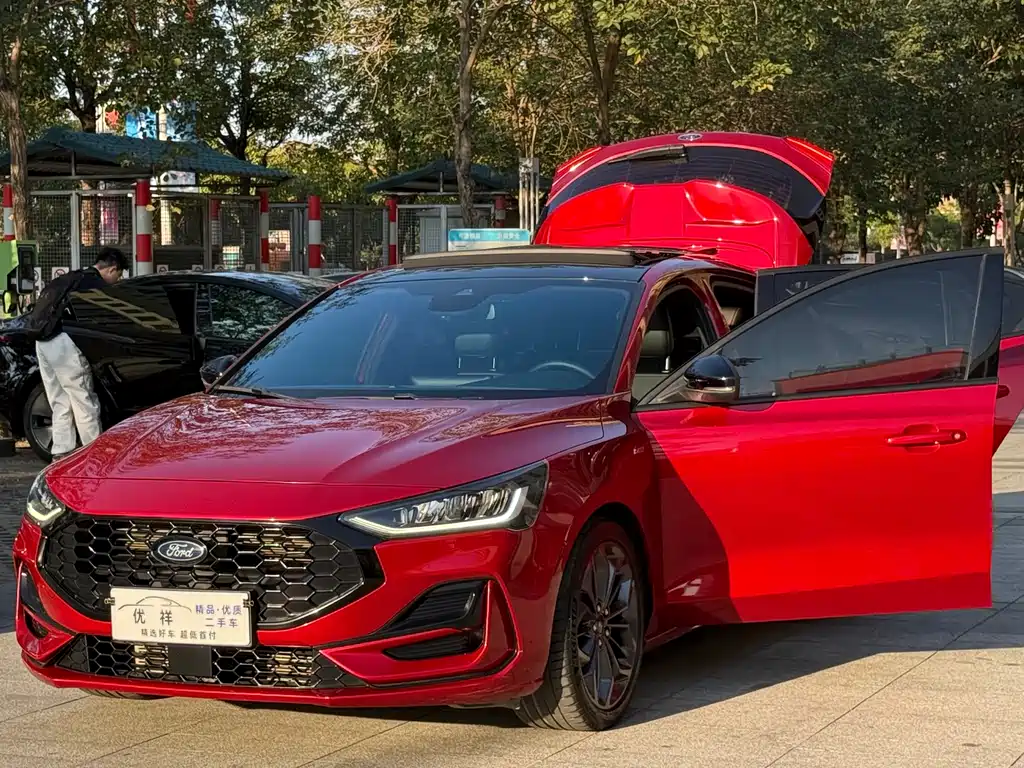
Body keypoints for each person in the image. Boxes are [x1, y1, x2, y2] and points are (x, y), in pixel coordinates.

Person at [28, 247, 128, 461]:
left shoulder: (70, 278)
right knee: (84, 399)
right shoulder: (94, 284)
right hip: (63, 343)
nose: (116, 281)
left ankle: (61, 452)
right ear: (112, 269)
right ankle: (93, 455)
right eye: (118, 275)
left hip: (42, 341)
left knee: (59, 400)